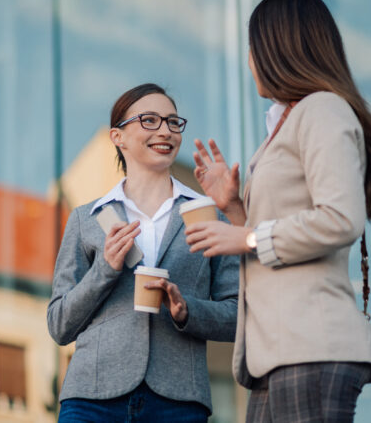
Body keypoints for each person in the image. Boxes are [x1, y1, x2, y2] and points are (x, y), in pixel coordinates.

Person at [185, 0, 371, 423]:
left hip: (309, 346)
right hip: (277, 353)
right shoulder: (288, 123)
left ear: (278, 48)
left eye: (253, 47)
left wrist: (242, 234)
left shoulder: (322, 110)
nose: (248, 61)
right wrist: (233, 206)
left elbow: (340, 218)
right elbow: (274, 236)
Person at [47, 83, 240, 422]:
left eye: (172, 122)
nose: (165, 130)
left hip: (178, 401)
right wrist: (104, 269)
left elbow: (238, 315)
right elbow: (60, 325)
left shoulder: (208, 213)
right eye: (149, 120)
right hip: (92, 399)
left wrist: (186, 311)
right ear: (117, 137)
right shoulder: (89, 219)